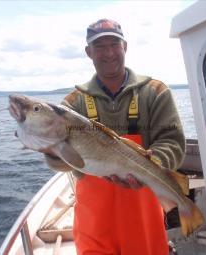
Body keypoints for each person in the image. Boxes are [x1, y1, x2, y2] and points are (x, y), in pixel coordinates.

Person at [45, 18, 186, 255]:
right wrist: (52, 151)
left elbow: (172, 141)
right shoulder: (70, 105)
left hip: (143, 217)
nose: (109, 52)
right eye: (100, 46)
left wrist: (150, 165)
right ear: (88, 52)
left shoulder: (155, 92)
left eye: (115, 44)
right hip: (94, 223)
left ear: (125, 47)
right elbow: (68, 164)